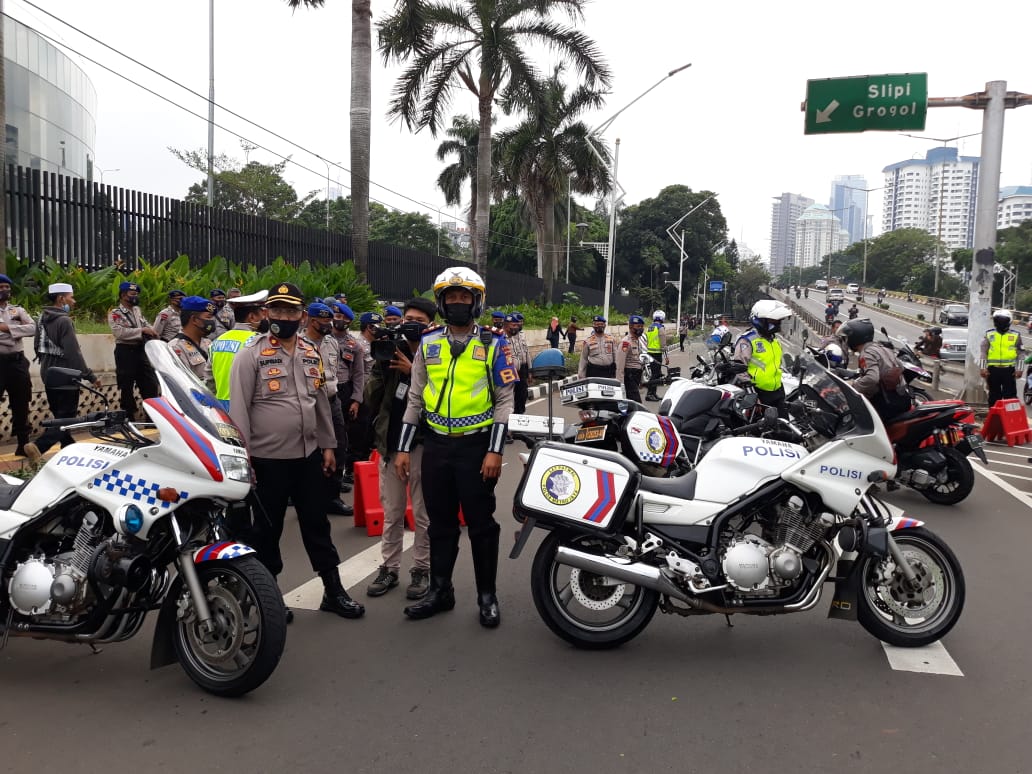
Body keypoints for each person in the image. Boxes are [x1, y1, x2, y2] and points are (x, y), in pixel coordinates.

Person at [228, 282, 364, 621]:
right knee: (267, 531)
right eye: (277, 310)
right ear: (266, 313)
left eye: (290, 311)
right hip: (267, 460)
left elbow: (319, 401)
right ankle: (270, 597)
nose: (283, 317)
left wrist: (329, 445)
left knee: (317, 524)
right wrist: (244, 458)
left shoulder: (309, 351)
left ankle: (333, 591)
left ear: (302, 316)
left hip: (308, 457)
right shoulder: (251, 354)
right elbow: (239, 409)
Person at [393, 266, 518, 628]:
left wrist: (495, 451)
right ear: (442, 302)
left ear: (476, 302)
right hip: (435, 447)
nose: (458, 303)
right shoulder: (429, 342)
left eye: (465, 298)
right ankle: (440, 590)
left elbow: (504, 401)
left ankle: (486, 596)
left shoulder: (495, 343)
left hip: (477, 448)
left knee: (481, 524)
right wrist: (403, 449)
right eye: (452, 298)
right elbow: (415, 398)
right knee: (440, 524)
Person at [364, 297, 437, 600]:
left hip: (423, 445)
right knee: (392, 512)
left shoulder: (437, 354)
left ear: (431, 325)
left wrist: (413, 371)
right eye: (408, 318)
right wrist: (381, 366)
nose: (411, 324)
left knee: (422, 513)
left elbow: (442, 399)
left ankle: (422, 569)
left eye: (419, 321)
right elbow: (371, 399)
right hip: (391, 445)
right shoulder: (389, 348)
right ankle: (389, 567)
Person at [33, 283, 100, 453]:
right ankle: (38, 446)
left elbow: (36, 346)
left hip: (47, 373)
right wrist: (90, 376)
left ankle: (68, 447)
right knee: (67, 417)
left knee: (59, 415)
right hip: (65, 374)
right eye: (71, 297)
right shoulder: (64, 320)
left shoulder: (41, 318)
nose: (74, 301)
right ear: (61, 298)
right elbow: (73, 353)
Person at [303, 302, 353, 517]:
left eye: (328, 321)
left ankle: (333, 496)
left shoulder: (332, 342)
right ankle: (309, 498)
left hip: (332, 401)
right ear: (310, 321)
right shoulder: (299, 344)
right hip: (309, 403)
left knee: (339, 447)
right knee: (312, 452)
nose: (327, 325)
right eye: (322, 322)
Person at [837, 317, 911, 421]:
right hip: (903, 399)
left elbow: (872, 378)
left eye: (847, 338)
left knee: (858, 421)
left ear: (855, 337)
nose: (846, 341)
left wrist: (853, 386)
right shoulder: (883, 348)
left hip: (887, 405)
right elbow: (901, 367)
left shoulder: (866, 353)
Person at [108, 281, 159, 421]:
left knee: (150, 384)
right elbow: (119, 333)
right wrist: (142, 331)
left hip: (140, 350)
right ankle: (129, 417)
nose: (135, 297)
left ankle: (151, 417)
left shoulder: (137, 311)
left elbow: (145, 324)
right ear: (123, 295)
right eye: (132, 294)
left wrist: (152, 331)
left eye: (136, 294)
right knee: (126, 386)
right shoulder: (115, 313)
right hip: (125, 352)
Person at [209, 290, 269, 409]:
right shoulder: (256, 341)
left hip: (220, 407)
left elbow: (209, 380)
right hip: (247, 407)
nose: (265, 318)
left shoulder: (217, 341)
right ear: (252, 317)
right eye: (262, 314)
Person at [331, 303, 367, 489]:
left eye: (343, 317)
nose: (339, 320)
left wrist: (356, 400)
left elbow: (359, 374)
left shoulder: (355, 346)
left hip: (344, 390)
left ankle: (337, 479)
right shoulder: (319, 339)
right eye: (336, 315)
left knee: (341, 438)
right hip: (321, 390)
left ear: (349, 321)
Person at [0, 274, 36, 456]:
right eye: (1, 287)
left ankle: (23, 444)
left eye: (7, 286)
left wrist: (7, 329)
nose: (5, 290)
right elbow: (24, 331)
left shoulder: (17, 310)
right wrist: (16, 333)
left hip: (17, 363)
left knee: (21, 403)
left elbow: (32, 328)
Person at [734, 300, 792, 412]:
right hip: (758, 393)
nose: (777, 324)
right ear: (760, 320)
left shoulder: (775, 341)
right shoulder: (748, 340)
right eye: (773, 320)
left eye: (778, 321)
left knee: (784, 427)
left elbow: (775, 365)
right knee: (761, 428)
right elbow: (739, 368)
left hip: (778, 391)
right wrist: (752, 396)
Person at [167, 296, 216, 387]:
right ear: (194, 320)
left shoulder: (208, 343)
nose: (212, 322)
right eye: (208, 318)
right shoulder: (175, 347)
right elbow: (181, 384)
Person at [979, 309, 1024, 407]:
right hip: (993, 370)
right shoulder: (989, 334)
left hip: (1009, 370)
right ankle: (995, 418)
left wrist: (1020, 369)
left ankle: (1010, 419)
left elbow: (1021, 353)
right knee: (994, 396)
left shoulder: (1015, 335)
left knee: (1010, 397)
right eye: (998, 320)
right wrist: (983, 368)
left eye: (1004, 320)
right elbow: (983, 352)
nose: (1001, 323)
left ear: (1009, 321)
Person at [615, 314, 647, 404]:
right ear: (630, 327)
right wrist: (620, 384)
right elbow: (619, 365)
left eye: (641, 326)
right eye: (638, 326)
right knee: (637, 405)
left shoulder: (638, 341)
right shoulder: (626, 342)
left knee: (631, 404)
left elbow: (638, 362)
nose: (640, 328)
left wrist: (641, 380)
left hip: (636, 376)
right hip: (629, 377)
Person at [505, 312, 530, 415]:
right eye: (514, 324)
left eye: (519, 323)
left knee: (522, 393)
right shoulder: (502, 337)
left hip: (522, 369)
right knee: (508, 395)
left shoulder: (521, 335)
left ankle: (519, 415)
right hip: (509, 370)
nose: (518, 325)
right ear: (506, 325)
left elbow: (527, 352)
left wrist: (530, 370)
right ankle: (508, 417)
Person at [644, 312, 669, 401]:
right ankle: (650, 394)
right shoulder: (660, 328)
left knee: (655, 374)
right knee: (655, 375)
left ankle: (653, 393)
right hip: (657, 354)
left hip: (649, 353)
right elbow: (663, 344)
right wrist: (666, 356)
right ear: (662, 318)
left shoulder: (649, 328)